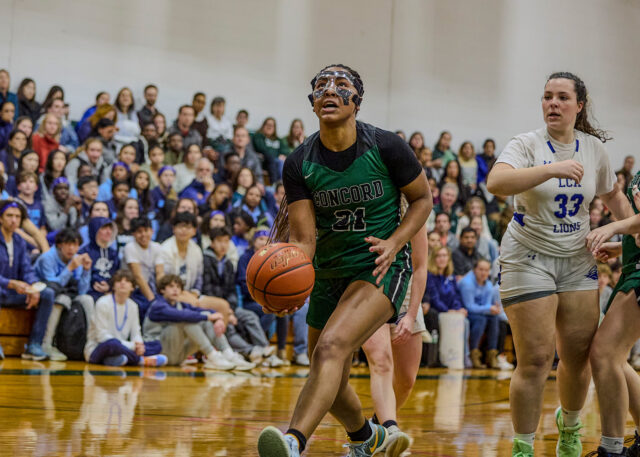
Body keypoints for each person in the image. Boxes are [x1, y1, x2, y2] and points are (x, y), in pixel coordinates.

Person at [257, 64, 431, 457]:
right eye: (321, 87)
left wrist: (395, 241)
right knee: (326, 372)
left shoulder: (387, 146)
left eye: (341, 86)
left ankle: (293, 442)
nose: (329, 91)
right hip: (328, 272)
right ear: (312, 103)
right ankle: (367, 438)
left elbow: (422, 200)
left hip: (378, 266)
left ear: (357, 101)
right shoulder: (299, 162)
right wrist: (288, 275)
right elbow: (303, 238)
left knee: (331, 348)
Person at [486, 72, 631, 457]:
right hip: (527, 256)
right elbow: (496, 183)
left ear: (578, 106)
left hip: (577, 259)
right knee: (533, 359)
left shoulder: (593, 149)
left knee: (577, 355)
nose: (553, 103)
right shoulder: (527, 144)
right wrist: (550, 169)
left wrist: (630, 236)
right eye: (547, 97)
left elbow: (613, 195)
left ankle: (569, 429)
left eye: (562, 97)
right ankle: (523, 446)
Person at [583, 177, 640, 456]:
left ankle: (612, 449)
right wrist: (622, 247)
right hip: (633, 266)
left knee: (605, 354)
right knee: (613, 356)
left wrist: (614, 227)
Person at [361, 221, 428, 451]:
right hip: (372, 284)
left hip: (406, 289)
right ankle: (390, 430)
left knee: (406, 380)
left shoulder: (413, 205)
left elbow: (420, 267)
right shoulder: (371, 201)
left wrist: (410, 315)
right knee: (381, 362)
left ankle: (376, 428)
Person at [203, 226, 275, 366]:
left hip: (229, 307)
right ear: (212, 243)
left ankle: (264, 350)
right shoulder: (205, 260)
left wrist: (231, 309)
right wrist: (226, 311)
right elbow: (208, 289)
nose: (223, 245)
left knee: (250, 316)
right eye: (219, 241)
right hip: (211, 306)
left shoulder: (228, 263)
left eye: (226, 241)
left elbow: (231, 291)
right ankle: (250, 351)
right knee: (228, 326)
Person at [142, 274, 238, 370]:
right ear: (162, 290)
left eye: (178, 287)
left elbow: (199, 310)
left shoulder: (180, 304)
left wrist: (218, 318)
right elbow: (181, 315)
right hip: (159, 352)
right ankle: (212, 355)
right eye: (171, 286)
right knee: (187, 320)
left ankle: (228, 353)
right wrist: (209, 316)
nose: (175, 290)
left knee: (205, 321)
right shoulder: (157, 306)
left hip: (178, 355)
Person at [0, 200, 55, 361]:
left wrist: (33, 287)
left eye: (17, 217)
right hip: (3, 288)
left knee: (47, 294)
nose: (14, 220)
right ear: (1, 218)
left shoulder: (19, 241)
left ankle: (34, 345)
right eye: (9, 216)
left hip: (13, 292)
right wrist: (9, 283)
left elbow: (27, 269)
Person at [84, 269, 167, 367]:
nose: (123, 283)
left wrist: (139, 345)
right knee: (112, 344)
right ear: (114, 286)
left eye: (127, 281)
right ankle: (140, 360)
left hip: (122, 349)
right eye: (119, 281)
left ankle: (116, 360)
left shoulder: (133, 306)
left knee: (156, 345)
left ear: (132, 287)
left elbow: (136, 332)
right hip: (98, 349)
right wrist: (132, 346)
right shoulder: (103, 303)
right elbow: (101, 337)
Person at [34, 228, 93, 361]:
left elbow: (82, 291)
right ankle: (46, 344)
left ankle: (91, 344)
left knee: (87, 299)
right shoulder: (47, 258)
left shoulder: (76, 259)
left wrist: (86, 271)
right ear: (60, 244)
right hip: (43, 294)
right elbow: (52, 287)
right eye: (68, 244)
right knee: (61, 299)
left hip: (66, 294)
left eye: (75, 245)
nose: (72, 248)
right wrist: (70, 268)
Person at [458, 258, 500, 368]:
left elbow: (486, 306)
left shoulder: (489, 285)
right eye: (481, 269)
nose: (484, 273)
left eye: (486, 270)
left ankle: (492, 355)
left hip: (478, 312)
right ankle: (474, 354)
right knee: (481, 319)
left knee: (494, 319)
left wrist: (492, 309)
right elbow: (469, 306)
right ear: (474, 270)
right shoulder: (467, 283)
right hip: (463, 312)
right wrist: (489, 308)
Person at [124, 217, 164, 322]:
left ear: (152, 231)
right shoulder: (130, 247)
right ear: (133, 234)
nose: (143, 235)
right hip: (135, 290)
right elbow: (138, 277)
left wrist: (163, 294)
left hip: (152, 287)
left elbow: (160, 274)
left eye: (146, 230)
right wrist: (152, 300)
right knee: (147, 307)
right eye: (139, 232)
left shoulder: (157, 247)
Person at [78, 217, 120, 302]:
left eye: (110, 228)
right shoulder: (84, 253)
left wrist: (110, 287)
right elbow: (79, 278)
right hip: (90, 292)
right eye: (104, 228)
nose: (109, 232)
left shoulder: (114, 253)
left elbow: (117, 274)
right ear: (94, 230)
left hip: (110, 291)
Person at [253, 117, 284, 183]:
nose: (269, 127)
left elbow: (284, 151)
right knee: (274, 159)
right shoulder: (258, 136)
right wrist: (275, 154)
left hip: (276, 161)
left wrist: (283, 155)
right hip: (264, 161)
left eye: (272, 125)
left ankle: (281, 184)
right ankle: (275, 184)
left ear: (274, 128)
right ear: (263, 126)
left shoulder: (278, 140)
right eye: (267, 125)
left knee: (281, 162)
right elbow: (262, 149)